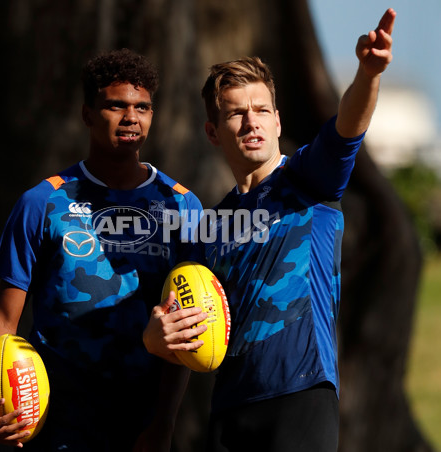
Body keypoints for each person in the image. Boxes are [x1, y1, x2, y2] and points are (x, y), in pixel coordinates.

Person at [144, 8, 396, 452]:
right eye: (236, 113)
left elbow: (346, 130)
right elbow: (184, 326)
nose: (251, 121)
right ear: (212, 131)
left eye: (261, 109)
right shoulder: (210, 226)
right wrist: (156, 346)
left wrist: (368, 74)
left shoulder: (308, 182)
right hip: (227, 409)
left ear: (278, 122)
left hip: (301, 395)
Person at [0, 48, 207, 451]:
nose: (131, 117)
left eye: (143, 107)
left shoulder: (182, 205)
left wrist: (164, 423)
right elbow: (4, 318)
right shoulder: (41, 202)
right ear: (87, 114)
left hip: (141, 426)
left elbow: (187, 327)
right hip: (58, 425)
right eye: (115, 105)